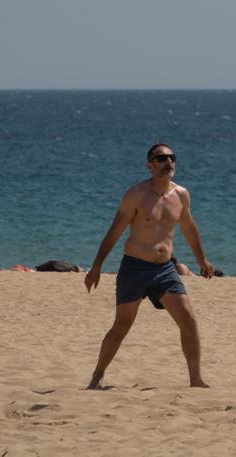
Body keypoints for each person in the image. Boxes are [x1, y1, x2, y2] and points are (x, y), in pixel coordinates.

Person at [84, 143, 216, 389]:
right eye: (161, 158)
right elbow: (115, 230)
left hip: (165, 269)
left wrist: (201, 260)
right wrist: (96, 266)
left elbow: (188, 227)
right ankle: (97, 375)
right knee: (122, 325)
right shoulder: (136, 194)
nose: (168, 162)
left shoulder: (181, 195)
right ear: (150, 164)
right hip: (134, 268)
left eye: (171, 157)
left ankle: (196, 379)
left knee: (188, 318)